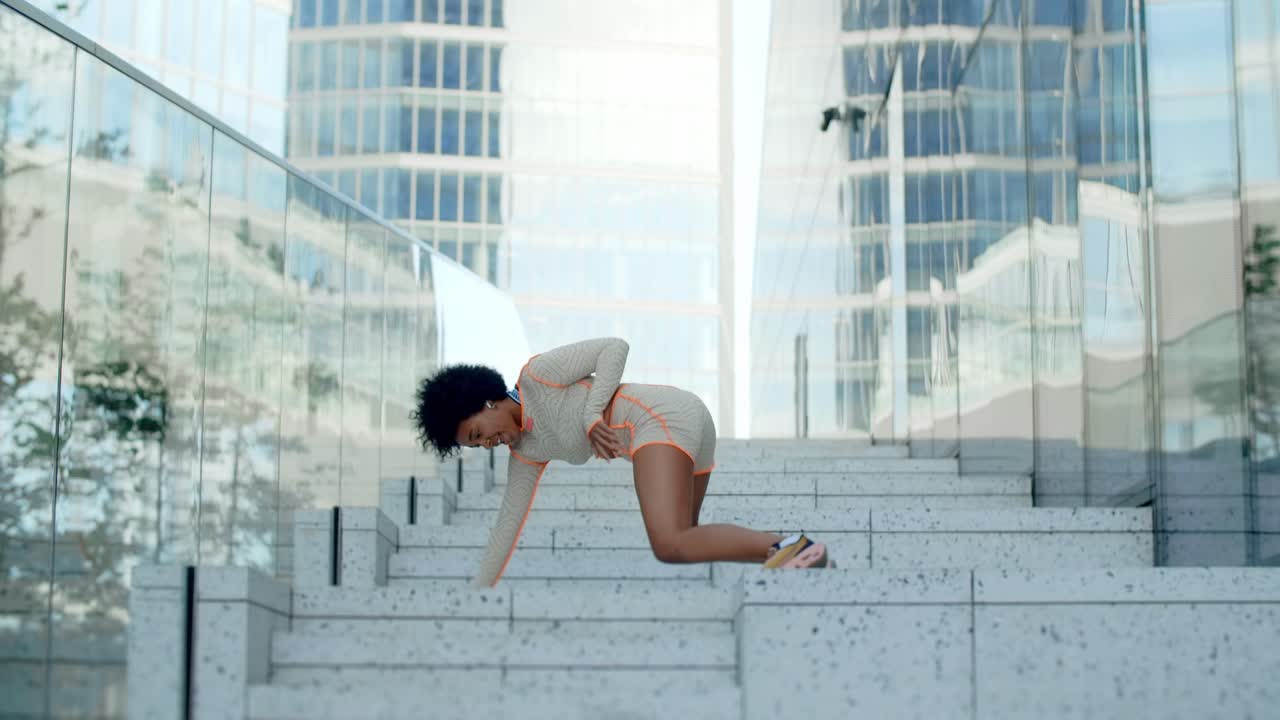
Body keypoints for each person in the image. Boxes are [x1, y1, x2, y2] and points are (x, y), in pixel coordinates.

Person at [411, 337, 830, 587]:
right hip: (682, 428)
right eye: (477, 446)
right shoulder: (526, 452)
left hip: (661, 417)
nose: (488, 444)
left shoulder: (537, 375)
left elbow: (614, 347)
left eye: (479, 433)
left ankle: (794, 547)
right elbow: (507, 525)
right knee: (688, 539)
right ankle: (791, 557)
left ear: (484, 401)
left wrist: (593, 413)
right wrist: (477, 595)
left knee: (669, 543)